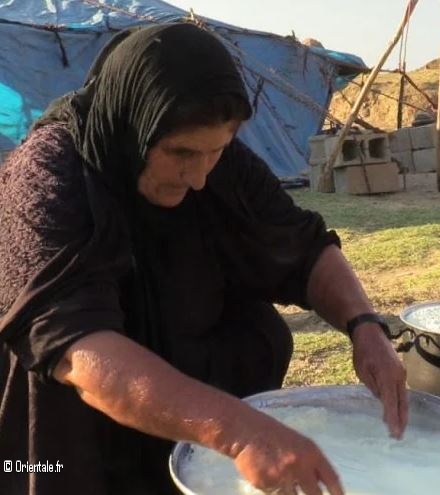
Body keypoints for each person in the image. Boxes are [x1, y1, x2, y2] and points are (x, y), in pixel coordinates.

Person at [0, 23, 407, 495]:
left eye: (214, 151)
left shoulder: (221, 161)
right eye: (180, 153)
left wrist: (364, 326)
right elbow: (76, 347)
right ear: (134, 124)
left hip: (185, 381)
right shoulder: (47, 173)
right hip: (84, 391)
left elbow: (302, 246)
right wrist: (238, 431)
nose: (197, 177)